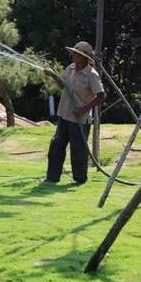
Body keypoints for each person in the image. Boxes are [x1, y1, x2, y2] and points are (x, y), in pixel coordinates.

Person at [42, 41, 105, 185]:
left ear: (84, 57)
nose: (73, 55)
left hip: (80, 119)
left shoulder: (91, 75)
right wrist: (53, 75)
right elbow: (63, 85)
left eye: (76, 54)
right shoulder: (70, 68)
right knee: (56, 145)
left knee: (78, 150)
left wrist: (83, 109)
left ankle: (79, 179)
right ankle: (52, 177)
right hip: (64, 114)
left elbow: (101, 96)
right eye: (73, 53)